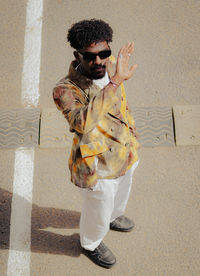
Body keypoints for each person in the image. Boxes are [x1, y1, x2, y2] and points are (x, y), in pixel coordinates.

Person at [53, 19, 139, 269]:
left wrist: (132, 138)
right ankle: (90, 242)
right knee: (97, 209)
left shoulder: (111, 67)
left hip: (125, 152)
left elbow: (121, 106)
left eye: (104, 53)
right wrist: (114, 83)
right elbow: (82, 122)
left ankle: (113, 217)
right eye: (91, 56)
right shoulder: (65, 89)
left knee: (121, 195)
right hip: (97, 166)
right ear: (77, 55)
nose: (100, 61)